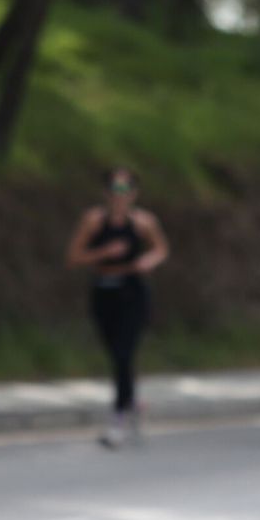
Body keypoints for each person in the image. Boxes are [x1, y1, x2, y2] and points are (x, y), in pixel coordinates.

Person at [64, 167, 169, 448]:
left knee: (124, 353)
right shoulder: (93, 221)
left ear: (134, 194)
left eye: (125, 190)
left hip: (133, 292)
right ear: (105, 193)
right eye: (114, 189)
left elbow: (161, 248)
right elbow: (73, 257)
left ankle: (118, 419)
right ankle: (131, 400)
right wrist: (103, 253)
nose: (118, 196)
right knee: (115, 353)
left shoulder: (144, 222)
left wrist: (149, 260)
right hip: (103, 290)